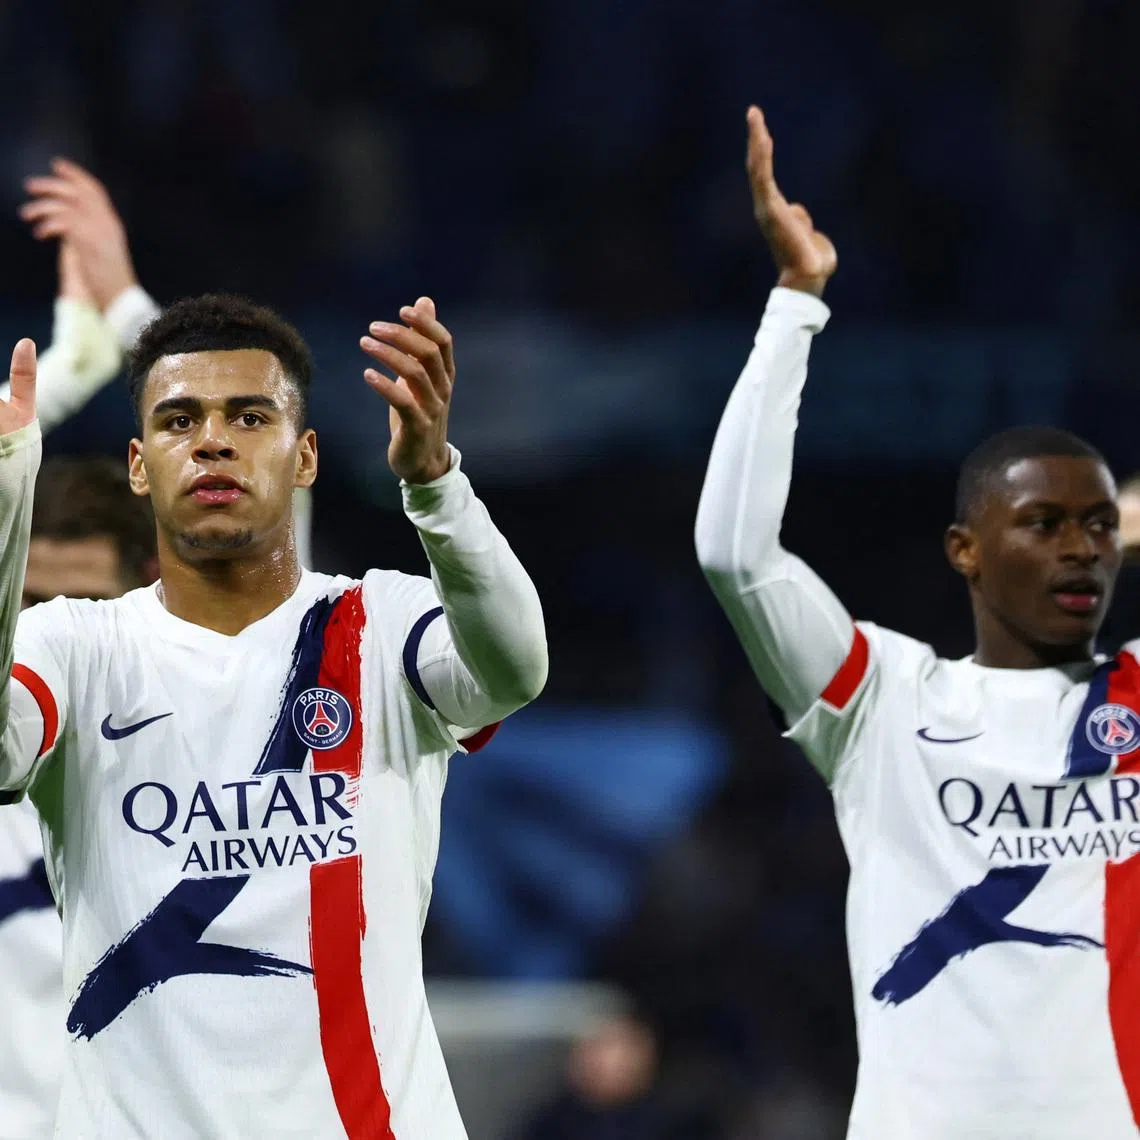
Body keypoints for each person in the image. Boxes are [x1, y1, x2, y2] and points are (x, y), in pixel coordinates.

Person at [0, 291, 548, 1137]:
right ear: (141, 466)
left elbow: (515, 670)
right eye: (180, 421)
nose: (213, 439)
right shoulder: (75, 644)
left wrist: (436, 485)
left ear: (306, 458)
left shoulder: (379, 627)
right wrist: (6, 506)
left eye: (250, 416)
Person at [696, 106, 1140, 1139]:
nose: (1079, 549)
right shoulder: (884, 701)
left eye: (1095, 529)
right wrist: (796, 305)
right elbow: (733, 554)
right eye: (1042, 525)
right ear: (964, 551)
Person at [19, 158, 316, 567]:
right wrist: (74, 365)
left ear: (145, 581)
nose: (214, 443)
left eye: (246, 420)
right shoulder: (34, 632)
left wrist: (120, 316)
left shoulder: (327, 621)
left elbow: (273, 479)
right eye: (33, 602)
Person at [1, 455, 157, 1138]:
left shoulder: (222, 767)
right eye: (28, 604)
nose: (49, 634)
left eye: (87, 605)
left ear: (148, 587)